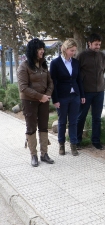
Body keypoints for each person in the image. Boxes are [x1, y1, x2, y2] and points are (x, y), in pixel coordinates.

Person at [17, 38, 54, 167]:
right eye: (40, 49)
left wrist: (47, 95)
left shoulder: (44, 65)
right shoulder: (24, 66)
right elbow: (23, 87)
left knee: (44, 126)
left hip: (44, 100)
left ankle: (44, 154)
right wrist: (39, 96)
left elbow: (50, 83)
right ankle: (34, 155)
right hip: (29, 101)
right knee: (31, 127)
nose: (42, 51)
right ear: (33, 50)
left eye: (43, 48)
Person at [50, 39, 85, 156]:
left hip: (75, 96)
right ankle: (61, 145)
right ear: (64, 49)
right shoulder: (55, 63)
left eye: (75, 51)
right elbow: (53, 83)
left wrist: (82, 95)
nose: (73, 53)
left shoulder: (75, 62)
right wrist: (55, 99)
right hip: (62, 97)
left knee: (73, 122)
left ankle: (73, 145)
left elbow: (78, 79)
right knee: (62, 122)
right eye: (71, 50)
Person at [76, 33, 105, 150]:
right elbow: (77, 74)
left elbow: (102, 71)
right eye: (95, 44)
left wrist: (100, 85)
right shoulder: (81, 56)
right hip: (86, 92)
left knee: (97, 117)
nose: (98, 46)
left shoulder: (103, 57)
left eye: (99, 44)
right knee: (81, 116)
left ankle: (96, 141)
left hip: (100, 92)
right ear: (89, 44)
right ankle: (77, 141)